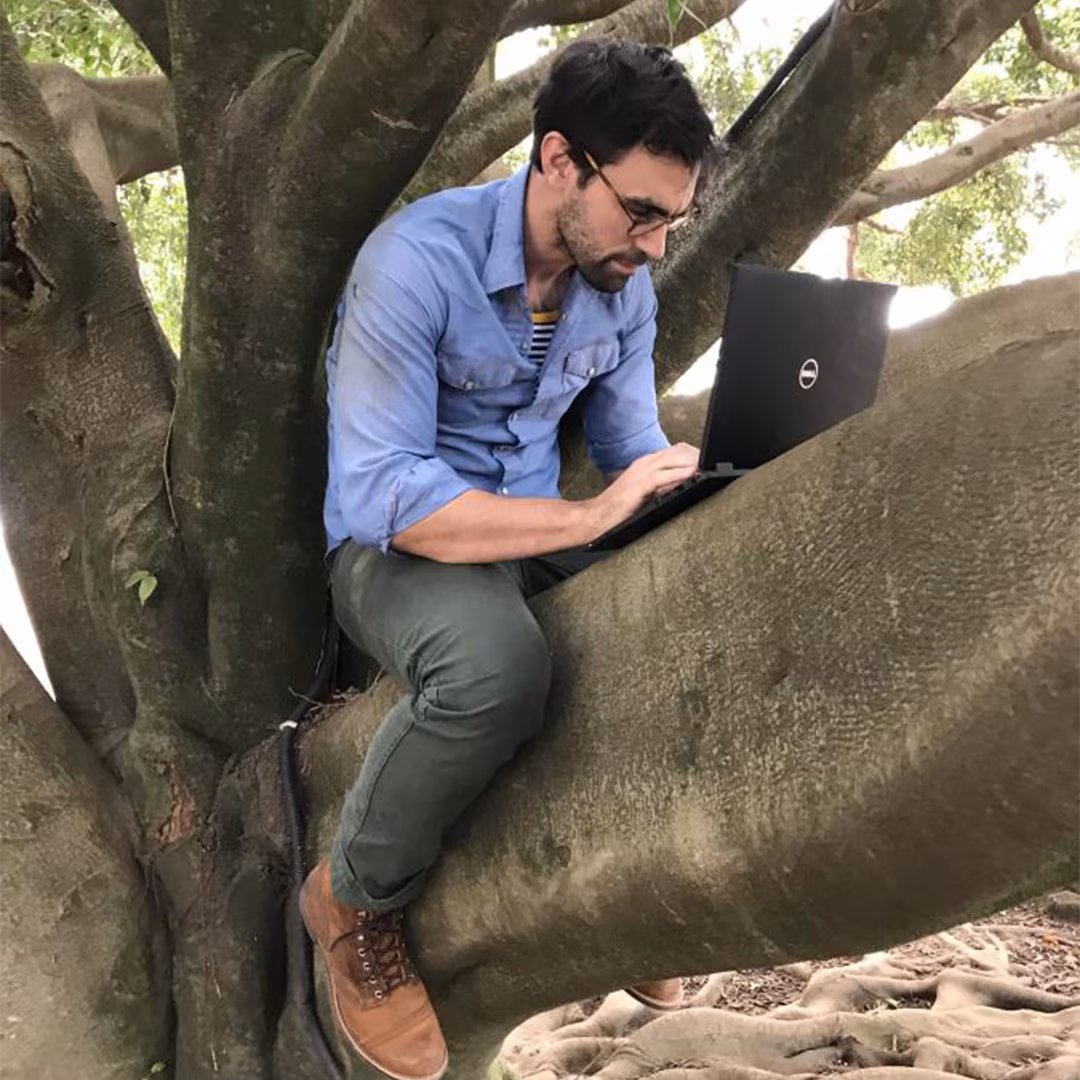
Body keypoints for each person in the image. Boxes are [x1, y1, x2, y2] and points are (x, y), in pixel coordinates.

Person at [299, 39, 716, 1080]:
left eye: (674, 219)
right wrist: (584, 523)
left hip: (531, 527)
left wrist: (697, 483)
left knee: (685, 591)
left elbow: (623, 448)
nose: (657, 247)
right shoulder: (414, 261)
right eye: (642, 212)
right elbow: (388, 493)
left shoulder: (618, 285)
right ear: (561, 160)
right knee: (499, 670)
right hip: (398, 549)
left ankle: (633, 884)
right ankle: (353, 896)